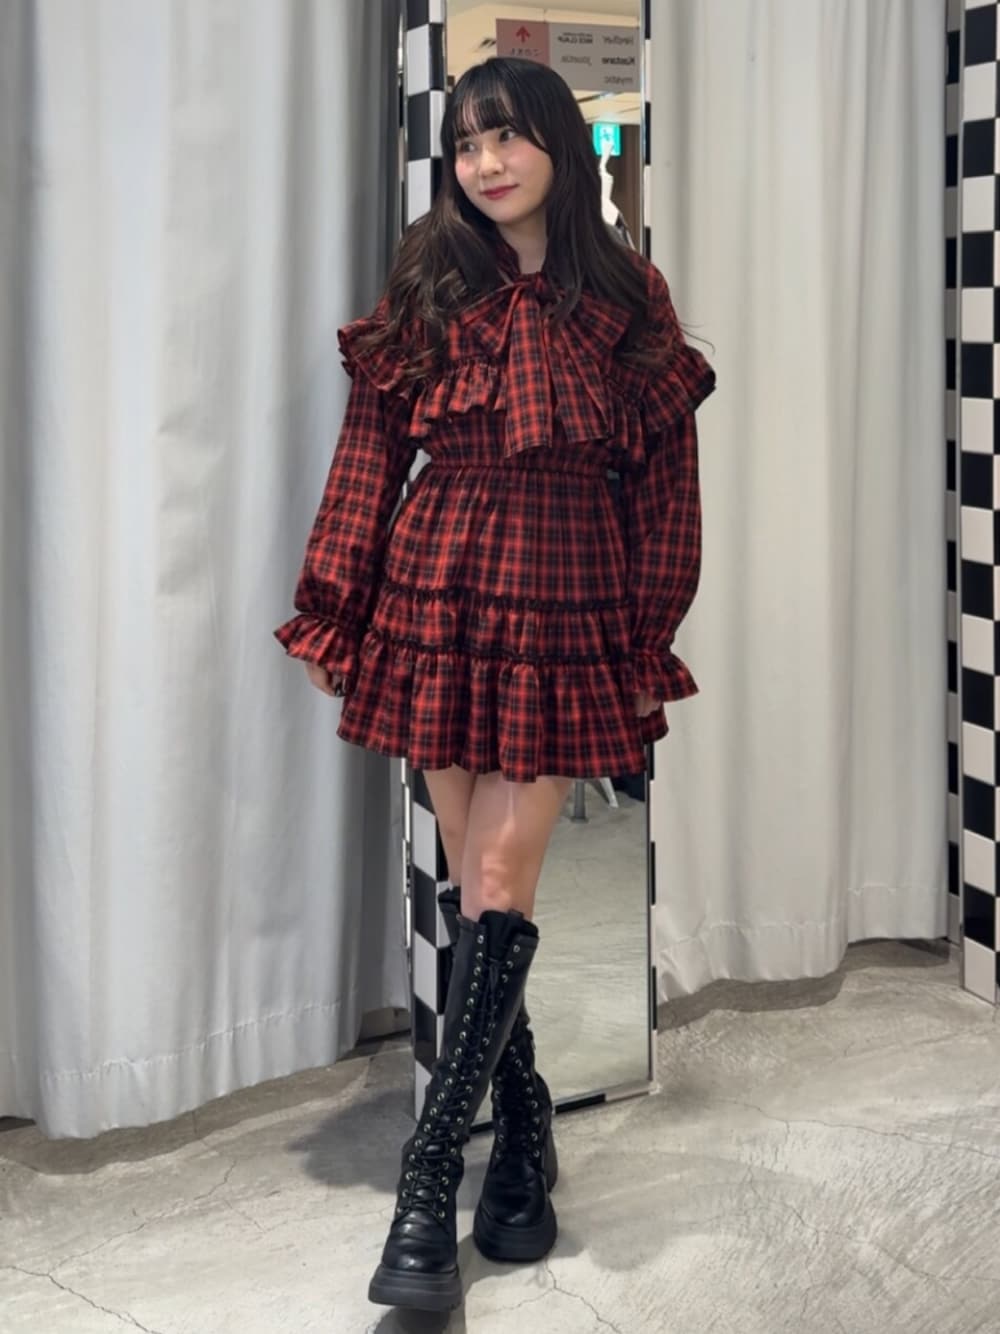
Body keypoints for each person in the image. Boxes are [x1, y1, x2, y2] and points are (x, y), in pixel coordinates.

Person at [274, 55, 716, 1314]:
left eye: (508, 137)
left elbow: (667, 483)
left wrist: (645, 633)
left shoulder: (626, 292)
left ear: (559, 148)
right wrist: (333, 604)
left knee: (503, 874)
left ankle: (427, 1182)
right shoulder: (430, 281)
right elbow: (368, 455)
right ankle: (522, 1133)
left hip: (569, 588)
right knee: (476, 878)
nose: (485, 164)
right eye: (468, 145)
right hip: (439, 586)